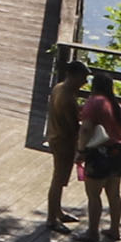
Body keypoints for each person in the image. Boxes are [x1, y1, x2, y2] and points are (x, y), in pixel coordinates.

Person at [74, 69, 121, 242]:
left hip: (101, 153)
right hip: (119, 152)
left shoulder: (94, 103)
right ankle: (114, 230)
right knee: (114, 194)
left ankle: (93, 233)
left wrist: (81, 150)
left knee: (94, 195)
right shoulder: (116, 105)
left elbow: (86, 129)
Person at [43, 51, 89, 229]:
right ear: (74, 76)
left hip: (54, 136)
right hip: (63, 142)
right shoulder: (68, 98)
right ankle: (51, 219)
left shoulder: (59, 87)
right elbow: (74, 127)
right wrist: (81, 148)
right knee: (58, 180)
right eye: (83, 78)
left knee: (59, 179)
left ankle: (58, 212)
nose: (85, 82)